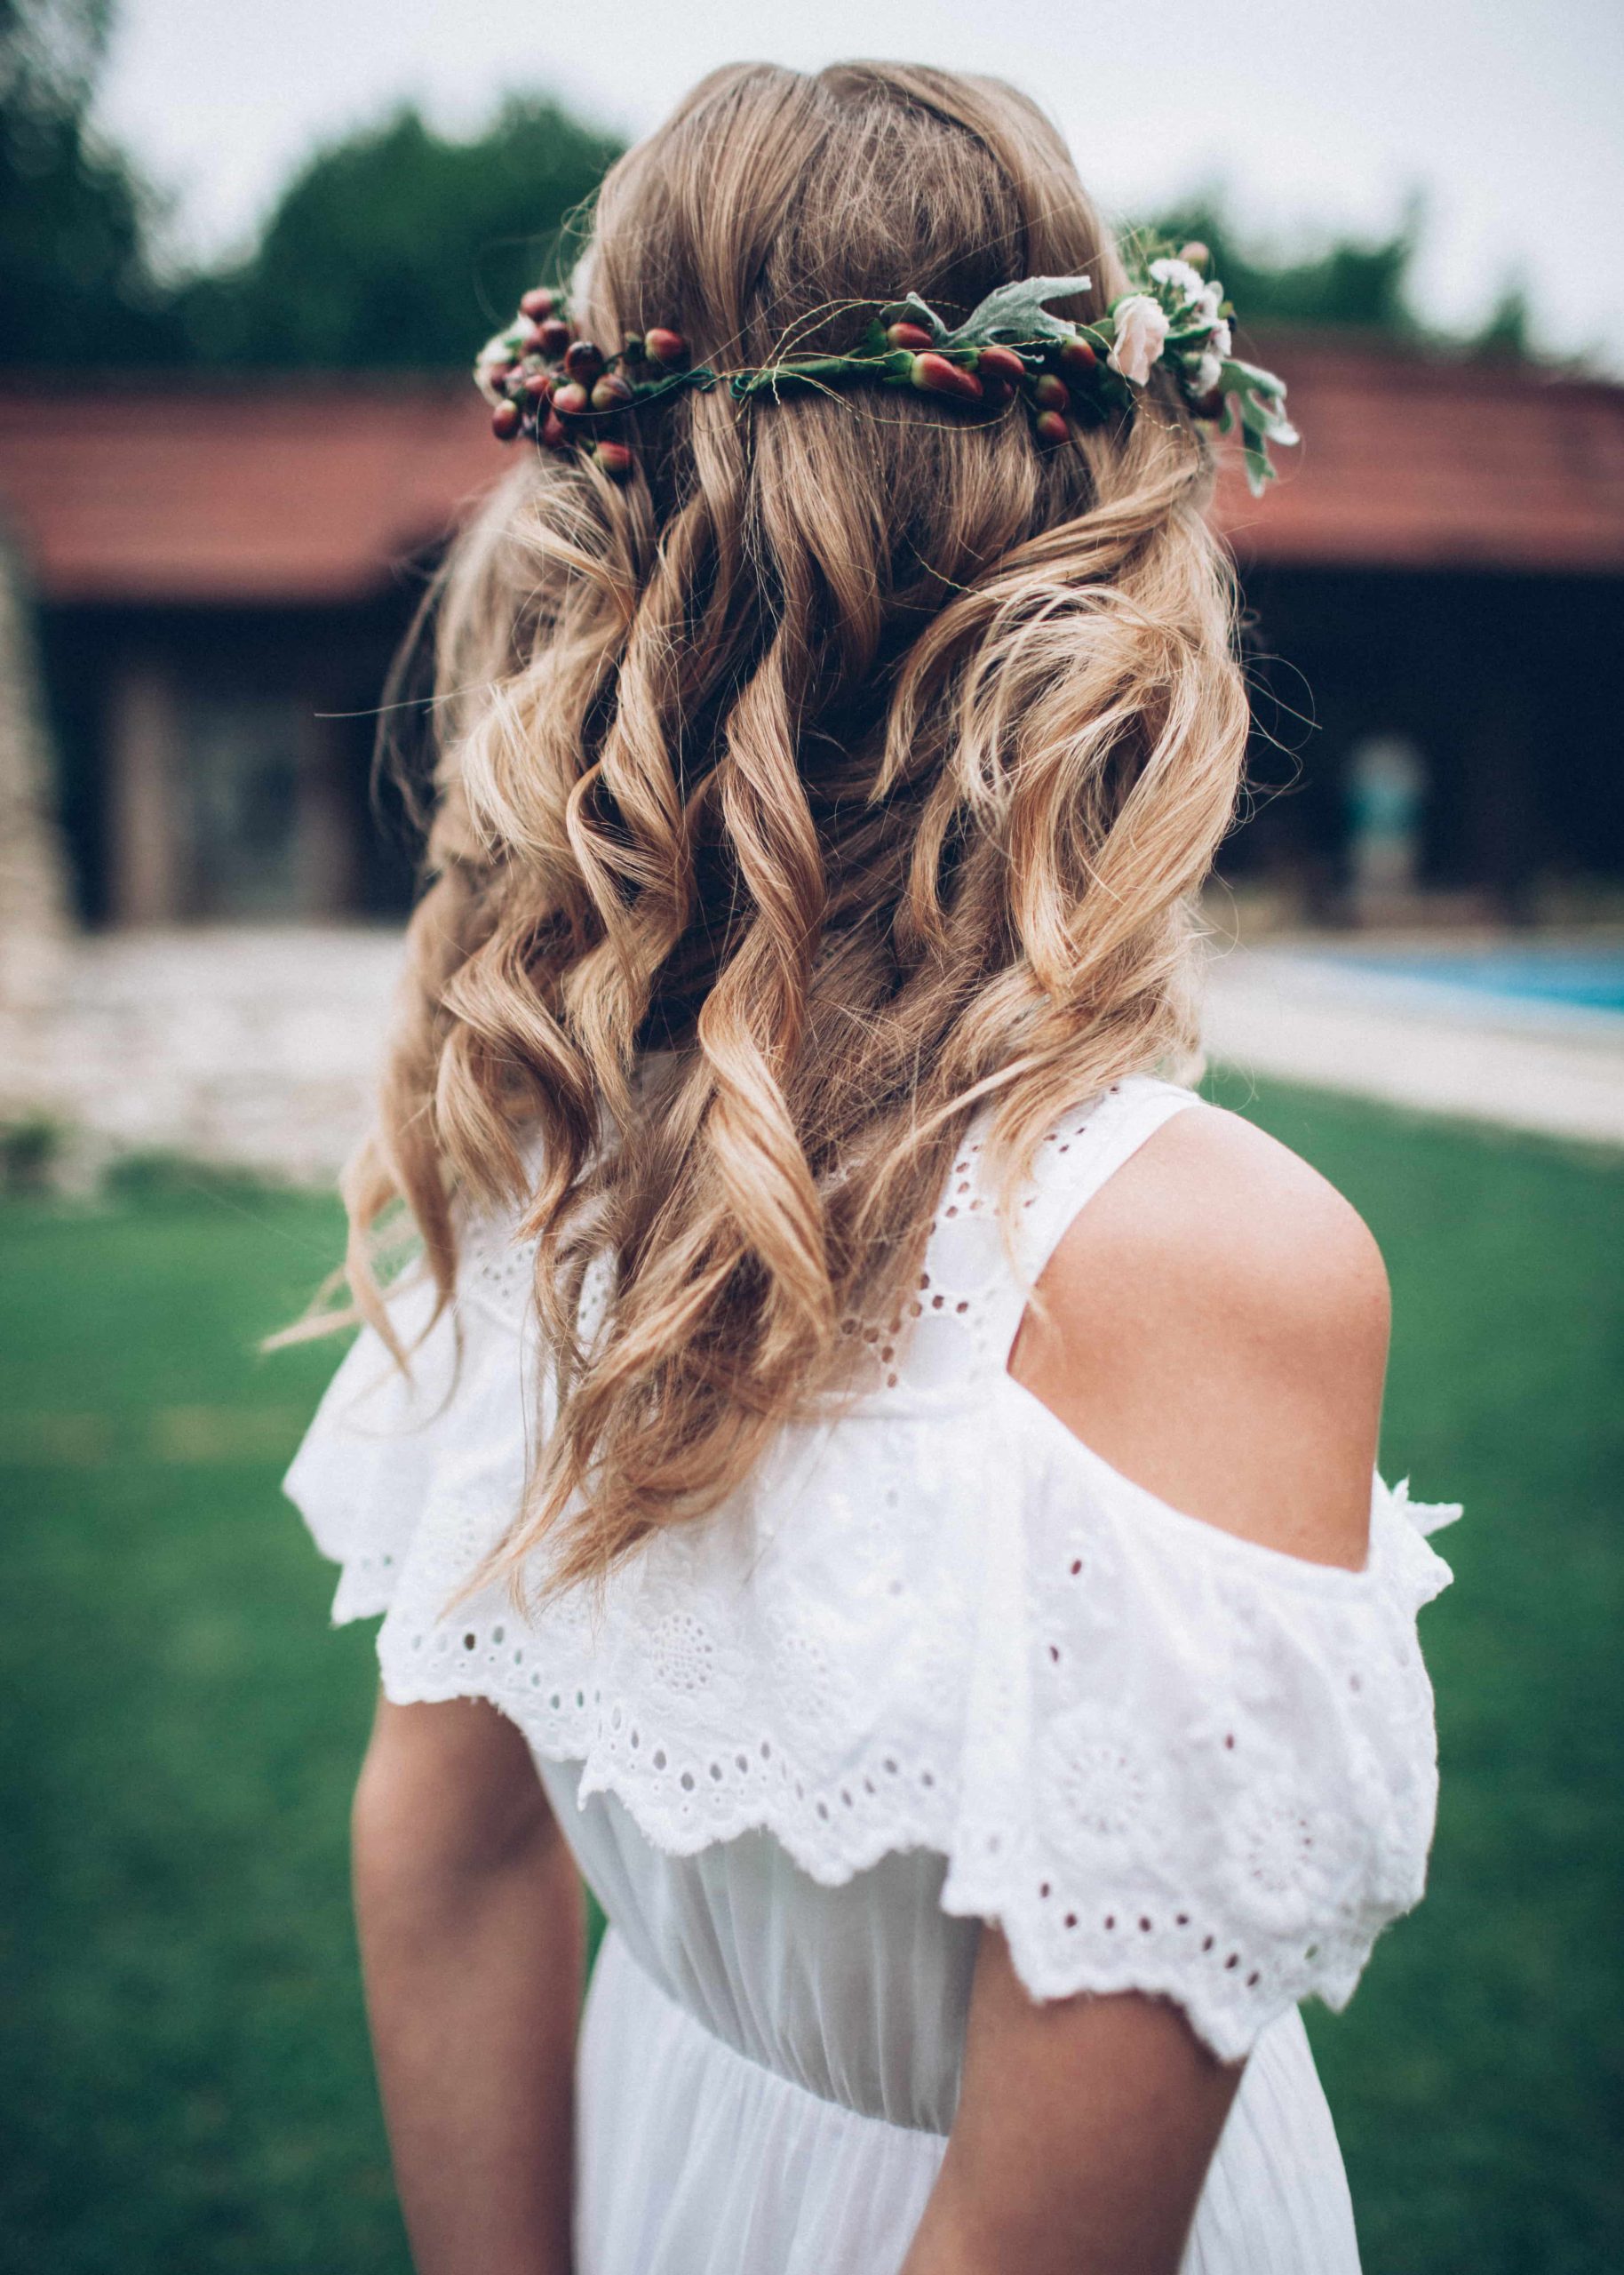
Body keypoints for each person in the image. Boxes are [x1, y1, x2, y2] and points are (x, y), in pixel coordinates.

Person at [283, 59, 1458, 2275]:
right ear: (1113, 540)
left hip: (661, 2168)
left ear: (605, 533)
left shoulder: (543, 1133)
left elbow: (441, 1849)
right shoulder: (1202, 1256)